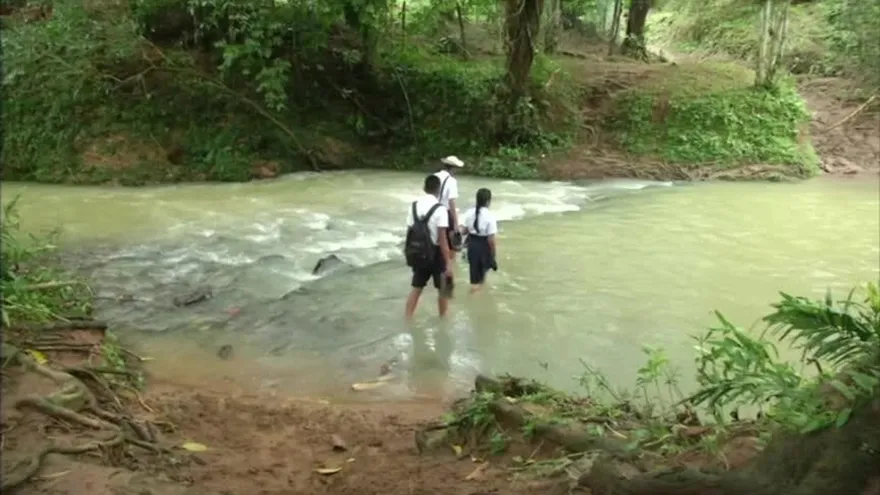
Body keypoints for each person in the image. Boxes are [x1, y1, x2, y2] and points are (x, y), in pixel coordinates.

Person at [404, 174, 454, 320]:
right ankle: (443, 319)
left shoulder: (413, 206)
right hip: (436, 253)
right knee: (444, 289)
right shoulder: (440, 209)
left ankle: (407, 319)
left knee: (417, 288)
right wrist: (449, 263)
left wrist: (409, 252)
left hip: (419, 251)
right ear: (439, 190)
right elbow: (442, 239)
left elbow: (410, 232)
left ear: (424, 188)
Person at [460, 188, 498, 293]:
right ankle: (475, 299)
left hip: (471, 245)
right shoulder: (490, 216)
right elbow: (491, 239)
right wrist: (493, 255)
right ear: (488, 201)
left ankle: (476, 297)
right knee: (481, 278)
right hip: (484, 246)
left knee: (474, 276)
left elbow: (464, 231)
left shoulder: (469, 213)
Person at [434, 155, 465, 252]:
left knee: (436, 239)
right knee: (450, 244)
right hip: (445, 213)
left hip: (433, 210)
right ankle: (448, 262)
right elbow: (451, 202)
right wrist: (456, 224)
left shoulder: (434, 176)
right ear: (453, 168)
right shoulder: (451, 181)